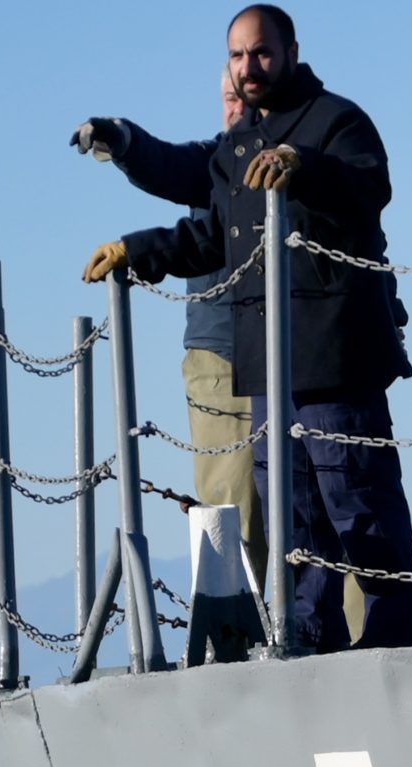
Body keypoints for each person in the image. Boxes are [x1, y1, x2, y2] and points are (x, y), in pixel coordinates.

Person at [82, 4, 412, 652]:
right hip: (265, 361)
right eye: (238, 56)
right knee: (293, 517)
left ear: (291, 50)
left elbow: (369, 185)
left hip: (334, 357)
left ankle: (397, 639)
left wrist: (303, 165)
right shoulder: (237, 146)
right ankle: (309, 638)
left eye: (261, 52)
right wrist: (138, 249)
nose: (249, 67)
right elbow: (211, 237)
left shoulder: (338, 120)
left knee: (358, 500)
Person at [74, 71, 264, 584]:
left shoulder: (311, 155)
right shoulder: (215, 162)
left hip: (309, 357)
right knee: (233, 518)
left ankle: (355, 628)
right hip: (223, 359)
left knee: (325, 515)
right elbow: (165, 163)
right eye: (229, 97)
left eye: (246, 96)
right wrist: (122, 138)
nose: (238, 107)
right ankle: (233, 626)